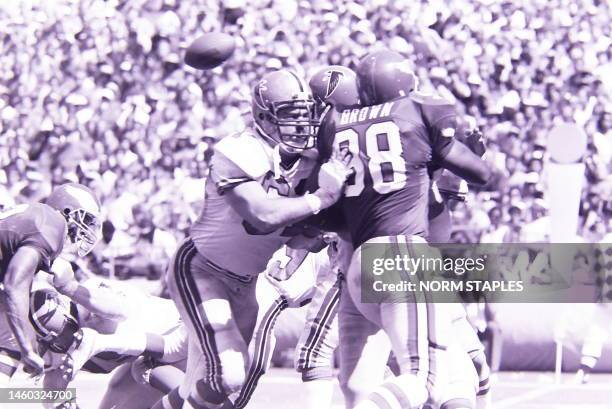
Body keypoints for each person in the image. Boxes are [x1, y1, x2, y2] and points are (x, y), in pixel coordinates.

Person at [156, 69, 352, 409]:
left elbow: (298, 231)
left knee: (222, 387)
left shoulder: (308, 161)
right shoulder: (239, 149)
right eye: (290, 114)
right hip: (203, 270)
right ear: (264, 117)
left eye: (305, 113)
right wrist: (321, 199)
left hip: (246, 282)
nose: (300, 124)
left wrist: (317, 229)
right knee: (230, 373)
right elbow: (262, 214)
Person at [316, 49, 491, 409]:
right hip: (404, 255)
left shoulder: (337, 130)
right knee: (426, 377)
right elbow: (482, 177)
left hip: (358, 268)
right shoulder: (420, 113)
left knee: (361, 386)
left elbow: (323, 219)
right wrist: (457, 153)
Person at [0, 183, 102, 376]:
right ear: (67, 211)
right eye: (86, 219)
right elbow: (13, 286)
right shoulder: (52, 224)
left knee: (7, 331)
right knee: (12, 333)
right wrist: (28, 349)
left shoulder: (38, 217)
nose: (86, 229)